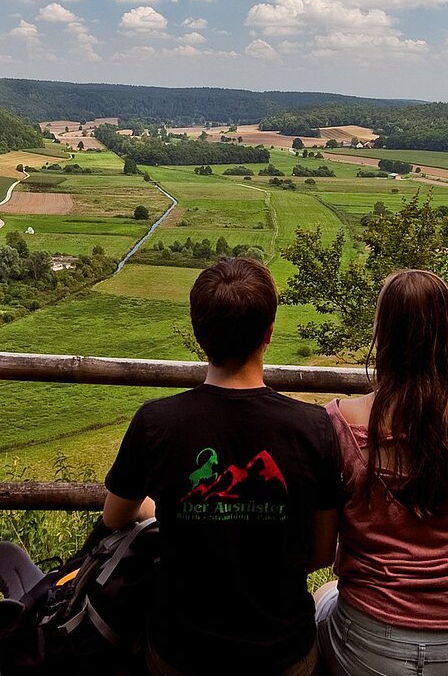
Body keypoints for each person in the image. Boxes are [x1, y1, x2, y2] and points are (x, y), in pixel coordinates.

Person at [101, 257, 345, 676]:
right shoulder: (313, 427)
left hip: (180, 653)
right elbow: (323, 551)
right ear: (268, 334)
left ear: (200, 335)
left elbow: (113, 516)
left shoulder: (156, 422)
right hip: (283, 655)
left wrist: (159, 513)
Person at [314, 268, 448, 676]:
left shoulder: (337, 425)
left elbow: (322, 547)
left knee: (324, 594)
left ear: (382, 335)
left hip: (369, 647)